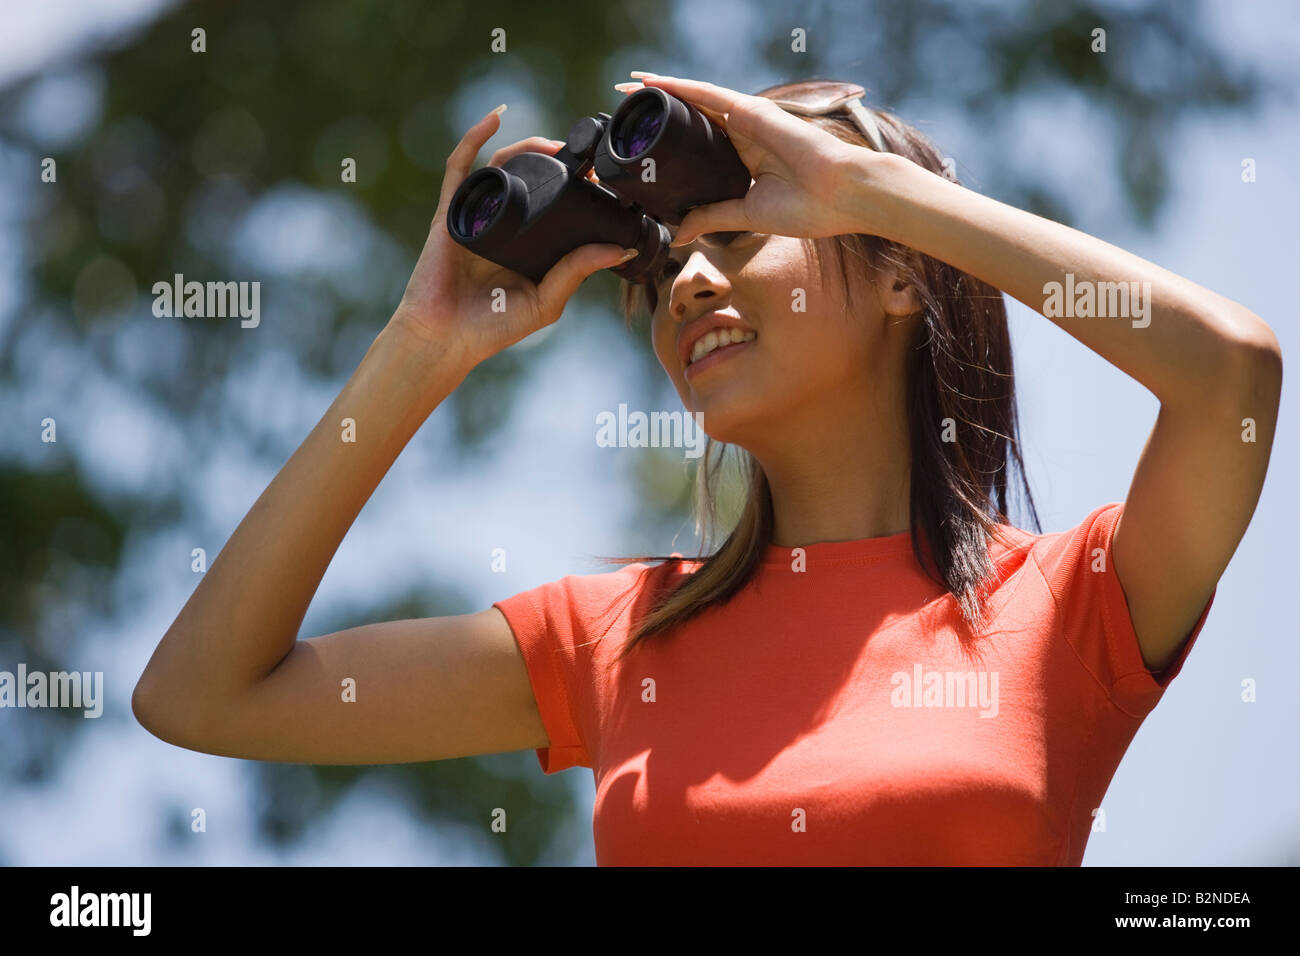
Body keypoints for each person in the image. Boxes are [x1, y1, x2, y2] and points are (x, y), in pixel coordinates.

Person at [132, 74, 1282, 866]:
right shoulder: (615, 636)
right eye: (664, 266)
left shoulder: (1070, 604)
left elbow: (1232, 373)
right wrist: (418, 349)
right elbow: (200, 693)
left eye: (732, 240)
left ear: (898, 277)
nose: (683, 284)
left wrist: (867, 191)